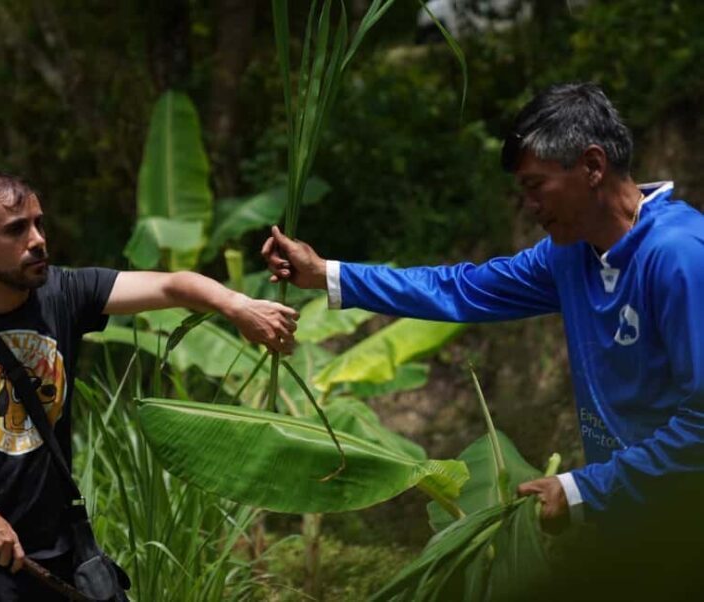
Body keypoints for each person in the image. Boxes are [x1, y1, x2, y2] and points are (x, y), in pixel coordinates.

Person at [262, 82, 704, 537]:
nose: (529, 207)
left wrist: (583, 490)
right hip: (635, 521)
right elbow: (462, 288)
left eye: (536, 187)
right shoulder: (571, 255)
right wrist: (324, 274)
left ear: (592, 165)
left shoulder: (680, 256)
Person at [0, 171, 299, 601]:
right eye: (16, 229)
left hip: (64, 558)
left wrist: (239, 305)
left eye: (38, 222)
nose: (37, 239)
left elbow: (170, 284)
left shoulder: (64, 293)